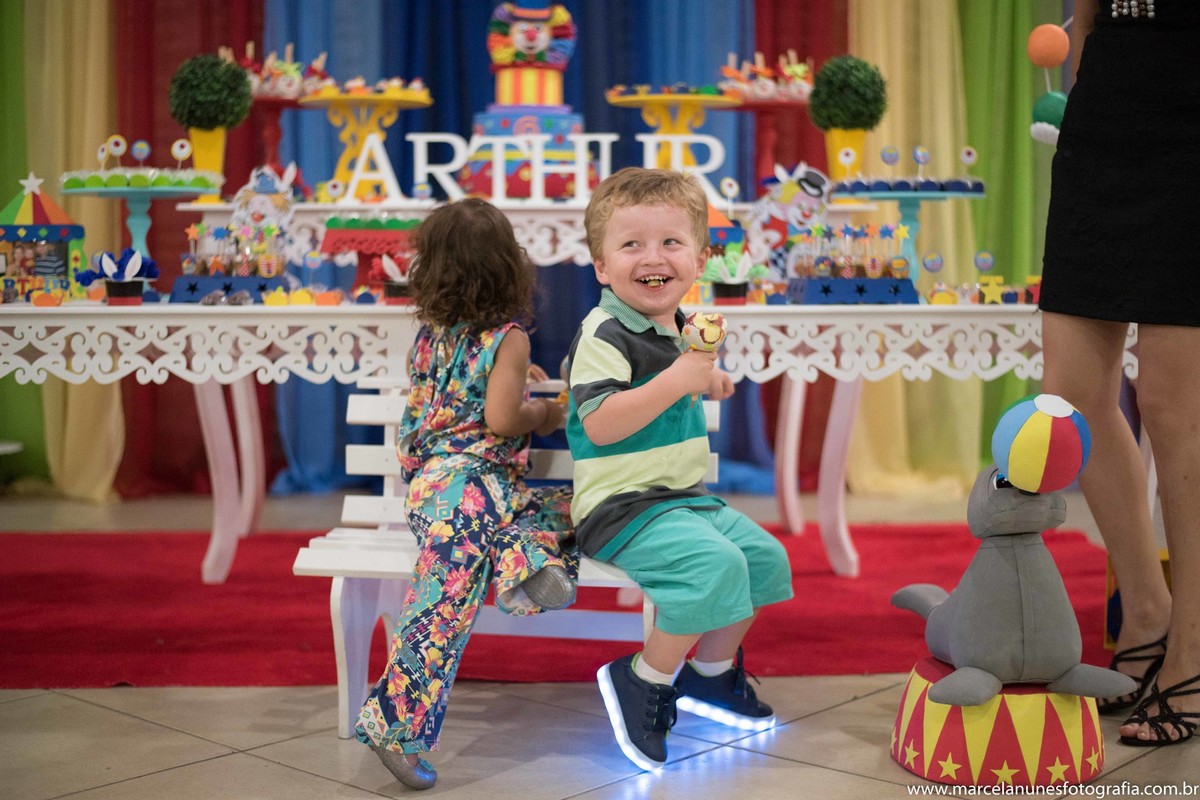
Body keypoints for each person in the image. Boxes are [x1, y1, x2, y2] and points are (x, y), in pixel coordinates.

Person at [567, 168, 795, 770]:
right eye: (632, 244)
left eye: (670, 243)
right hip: (620, 507)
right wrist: (678, 381)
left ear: (699, 259)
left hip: (681, 499)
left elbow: (681, 384)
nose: (653, 257)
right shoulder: (603, 332)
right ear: (601, 266)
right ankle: (644, 678)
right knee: (715, 568)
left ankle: (711, 675)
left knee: (766, 561)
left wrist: (708, 379)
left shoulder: (679, 326)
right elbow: (600, 424)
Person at [354, 198, 578, 788]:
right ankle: (392, 725)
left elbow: (451, 395)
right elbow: (504, 420)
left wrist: (511, 375)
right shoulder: (509, 339)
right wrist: (550, 412)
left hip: (432, 488)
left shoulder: (429, 335)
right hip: (475, 484)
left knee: (540, 517)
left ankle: (521, 556)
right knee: (442, 602)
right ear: (508, 266)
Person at [1040, 0, 1200, 746]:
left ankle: (1193, 657)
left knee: (1176, 409)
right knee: (1070, 393)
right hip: (1106, 98)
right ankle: (1146, 610)